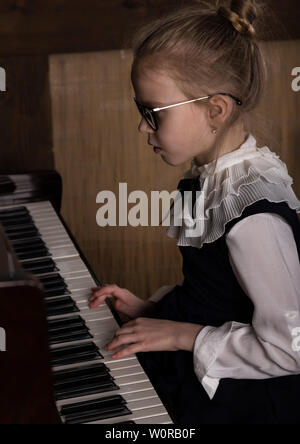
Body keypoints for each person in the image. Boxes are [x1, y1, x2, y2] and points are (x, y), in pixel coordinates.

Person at [89, 0, 300, 424]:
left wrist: (179, 334)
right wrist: (154, 310)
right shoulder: (205, 178)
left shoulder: (253, 216)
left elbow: (289, 348)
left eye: (152, 114)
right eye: (140, 111)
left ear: (215, 110)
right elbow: (216, 290)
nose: (142, 127)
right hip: (202, 359)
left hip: (244, 401)